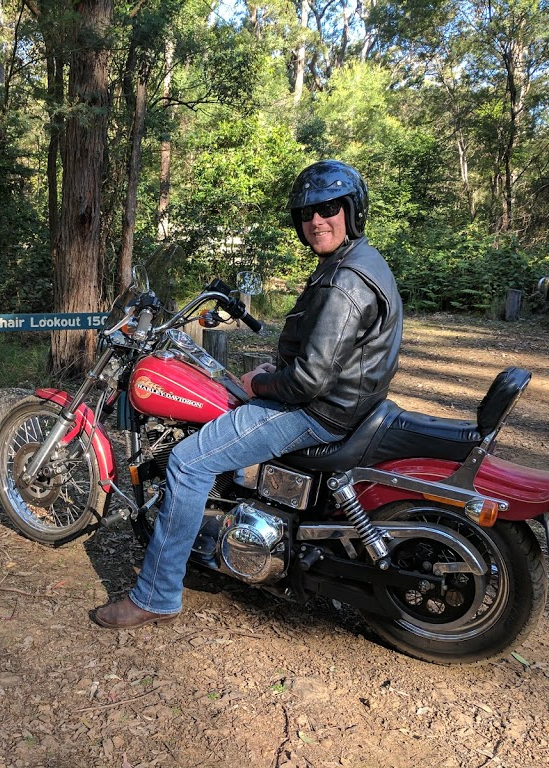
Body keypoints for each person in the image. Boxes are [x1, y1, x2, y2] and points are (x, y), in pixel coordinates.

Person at [93, 159, 404, 629]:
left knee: (188, 461)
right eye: (307, 213)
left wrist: (261, 383)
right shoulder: (354, 262)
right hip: (343, 401)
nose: (317, 220)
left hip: (319, 410)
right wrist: (274, 369)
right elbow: (325, 352)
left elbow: (310, 381)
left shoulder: (345, 280)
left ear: (351, 210)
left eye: (329, 208)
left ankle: (156, 596)